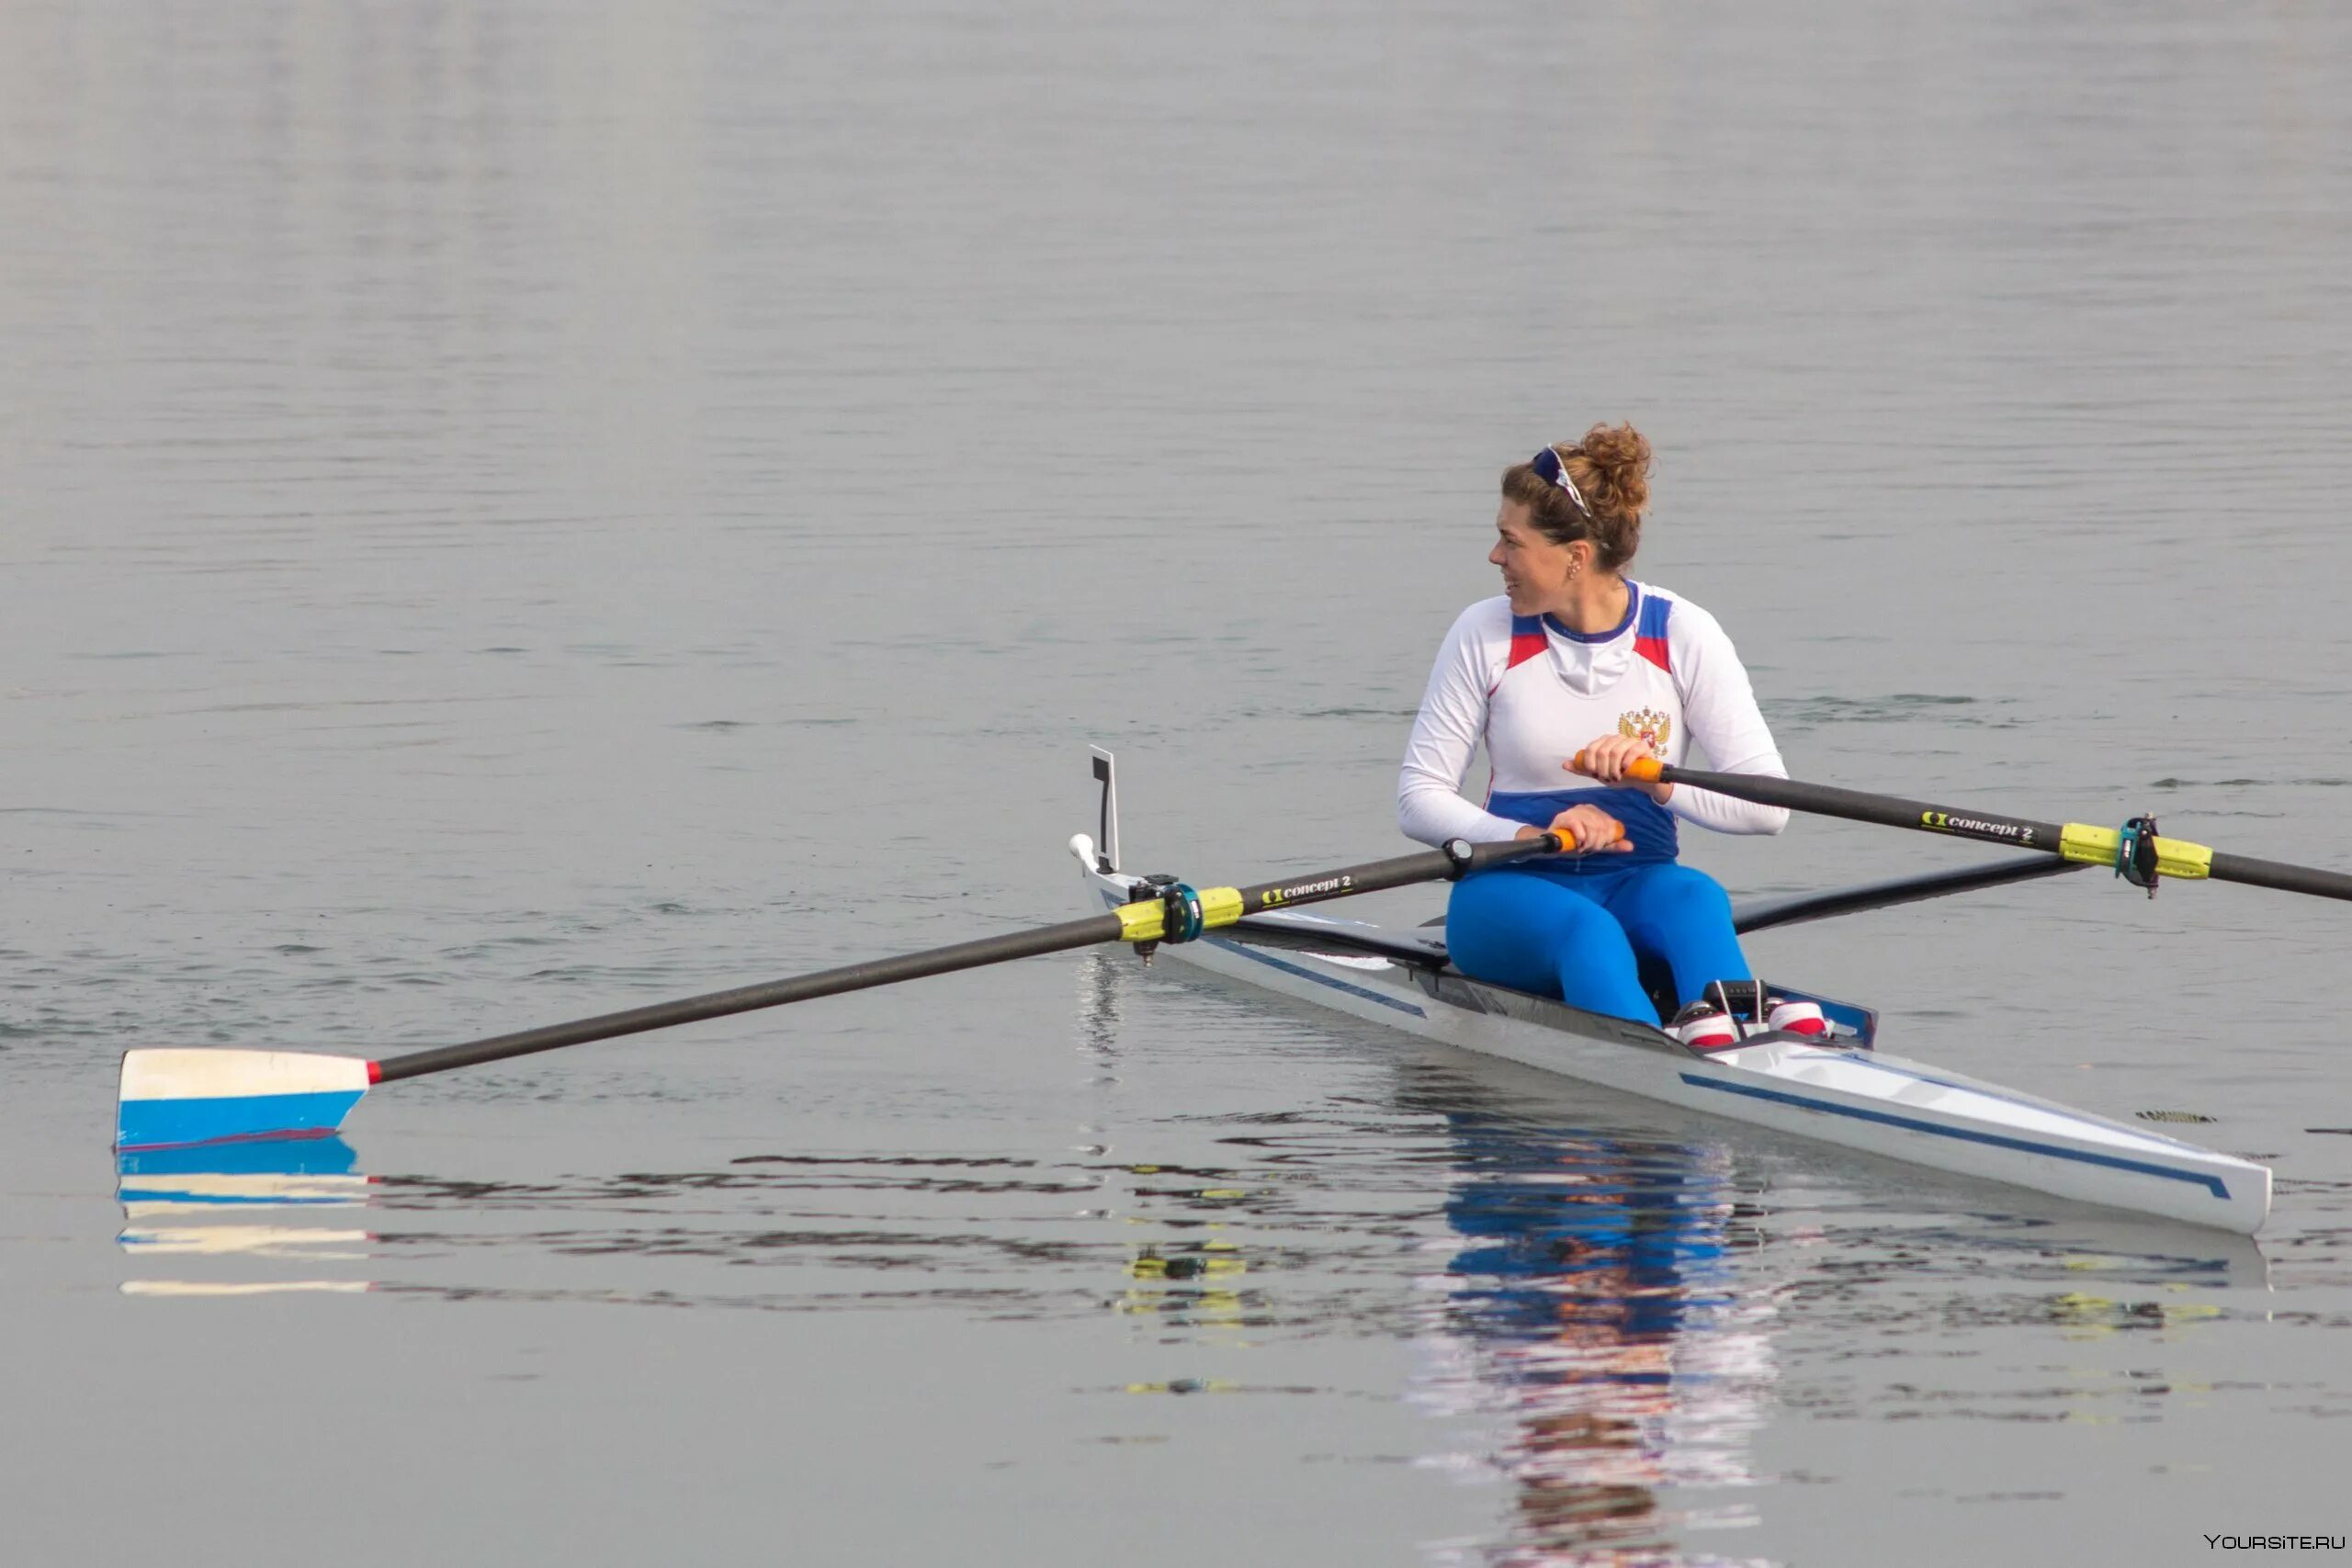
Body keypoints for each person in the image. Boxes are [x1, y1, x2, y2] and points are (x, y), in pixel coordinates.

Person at [1396, 423, 1820, 1045]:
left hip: (1637, 880)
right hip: (1509, 891)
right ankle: (1667, 1060)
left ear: (1576, 555)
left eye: (1508, 541)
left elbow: (1769, 810)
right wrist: (1532, 835)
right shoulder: (1483, 633)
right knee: (1589, 933)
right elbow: (1418, 796)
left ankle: (1747, 1039)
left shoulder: (1682, 633)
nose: (1495, 557)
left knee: (1696, 897)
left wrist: (1658, 780)